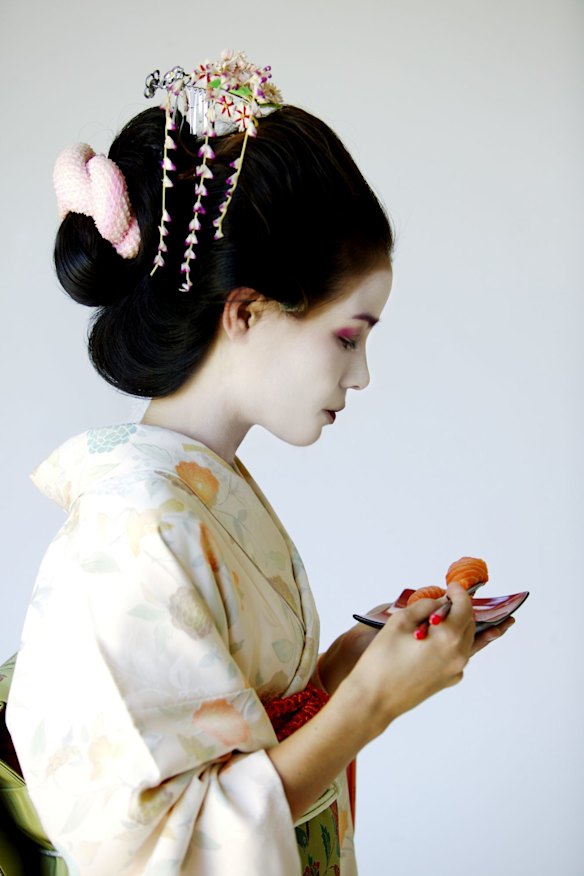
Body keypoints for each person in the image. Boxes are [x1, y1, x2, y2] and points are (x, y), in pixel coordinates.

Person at [6, 52, 514, 876]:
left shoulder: (192, 495)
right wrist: (373, 703)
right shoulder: (131, 529)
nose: (360, 375)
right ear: (247, 310)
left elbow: (242, 728)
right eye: (348, 336)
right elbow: (165, 849)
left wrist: (352, 662)